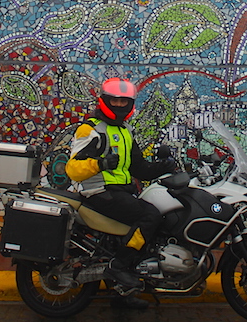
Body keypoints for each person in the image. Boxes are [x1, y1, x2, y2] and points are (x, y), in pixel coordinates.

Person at [65, 77, 176, 307]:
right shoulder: (92, 129)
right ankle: (119, 266)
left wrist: (164, 167)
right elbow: (73, 169)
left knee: (135, 230)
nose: (119, 105)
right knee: (150, 216)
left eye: (124, 101)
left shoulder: (125, 131)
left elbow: (139, 169)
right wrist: (100, 164)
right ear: (104, 100)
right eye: (114, 101)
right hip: (99, 192)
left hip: (121, 192)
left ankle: (122, 293)